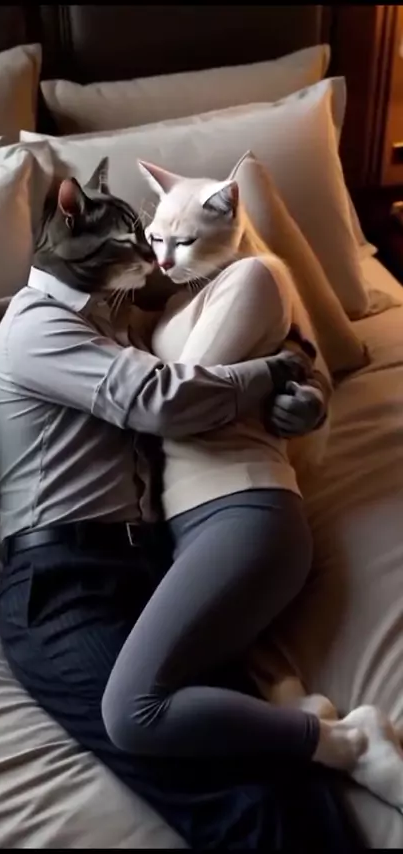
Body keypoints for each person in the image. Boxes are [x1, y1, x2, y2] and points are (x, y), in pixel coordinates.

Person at [0, 165, 362, 850]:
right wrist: (272, 372)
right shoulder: (35, 326)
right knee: (210, 780)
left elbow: (234, 311)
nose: (150, 260)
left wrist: (303, 373)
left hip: (148, 562)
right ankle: (345, 743)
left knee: (250, 751)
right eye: (134, 244)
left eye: (149, 241)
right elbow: (162, 399)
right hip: (64, 582)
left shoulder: (121, 316)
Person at [101, 159, 403, 817]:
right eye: (157, 239)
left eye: (181, 243)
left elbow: (174, 401)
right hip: (191, 528)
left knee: (130, 711)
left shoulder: (255, 274)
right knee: (185, 687)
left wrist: (307, 382)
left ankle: (354, 743)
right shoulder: (174, 298)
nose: (165, 258)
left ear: (230, 218)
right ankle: (303, 715)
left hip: (242, 511)